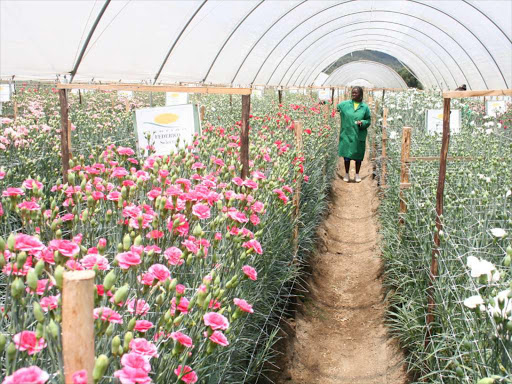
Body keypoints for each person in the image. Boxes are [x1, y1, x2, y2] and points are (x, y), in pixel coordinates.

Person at [337, 86, 371, 183]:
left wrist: (363, 123)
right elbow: (335, 107)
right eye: (353, 92)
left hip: (358, 135)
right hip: (347, 134)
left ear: (360, 95)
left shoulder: (365, 107)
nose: (353, 94)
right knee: (347, 156)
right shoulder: (345, 105)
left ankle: (357, 174)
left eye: (356, 93)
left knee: (358, 156)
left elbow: (368, 120)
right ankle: (347, 174)